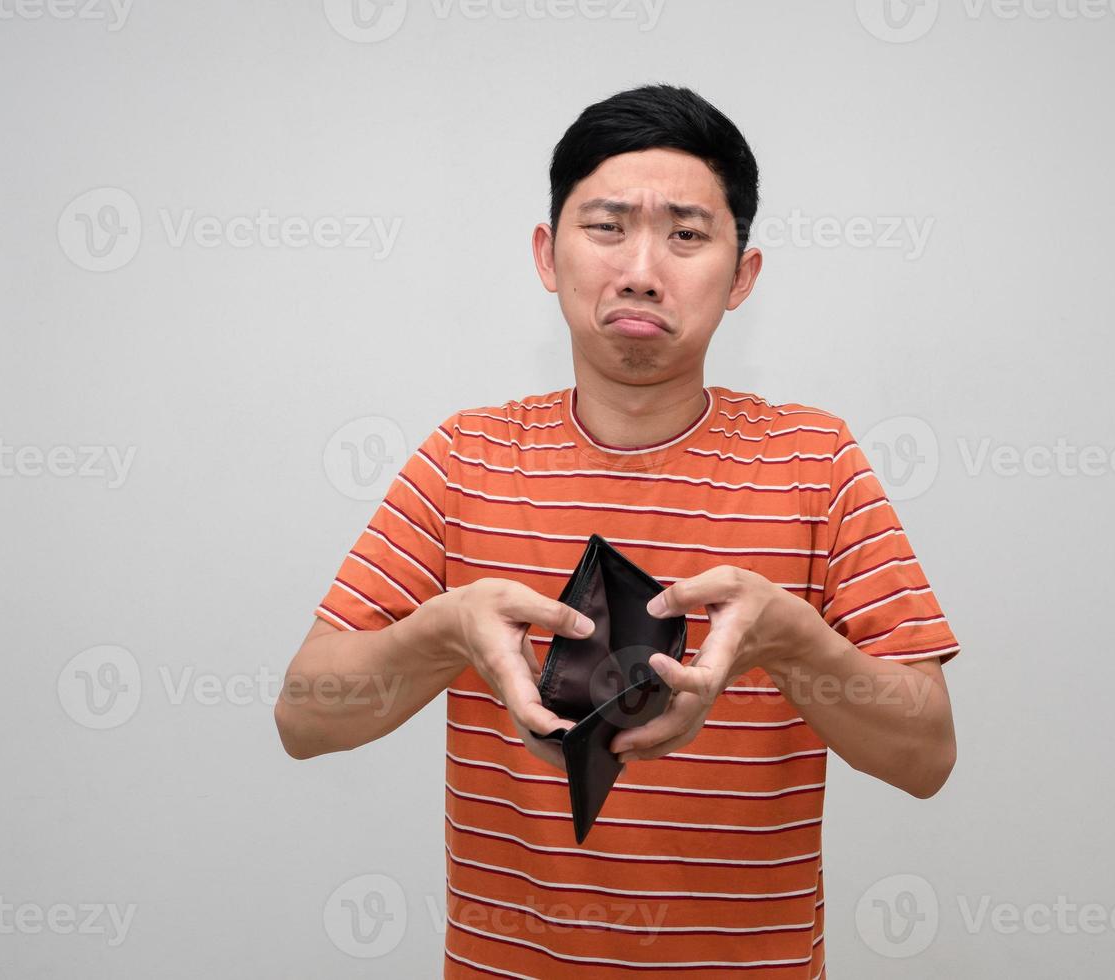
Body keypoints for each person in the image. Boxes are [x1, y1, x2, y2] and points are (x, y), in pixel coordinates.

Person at [275, 83, 960, 979]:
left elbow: (925, 755)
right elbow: (304, 718)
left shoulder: (815, 462)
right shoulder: (462, 459)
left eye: (686, 234)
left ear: (743, 274)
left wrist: (792, 641)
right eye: (605, 227)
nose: (642, 268)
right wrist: (447, 632)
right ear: (546, 254)